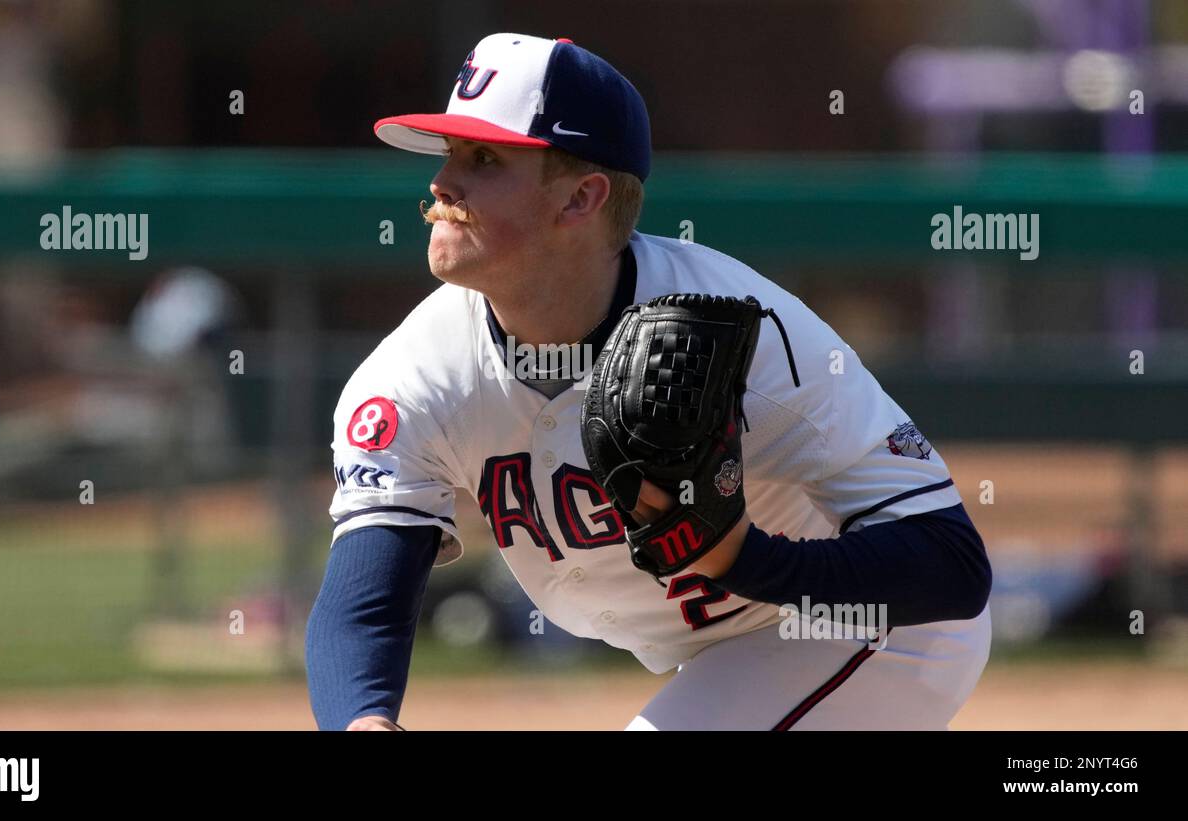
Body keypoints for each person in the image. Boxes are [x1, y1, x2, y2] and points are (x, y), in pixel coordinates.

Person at [307, 32, 992, 731]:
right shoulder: (409, 377)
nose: (441, 184)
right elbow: (366, 599)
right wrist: (364, 722)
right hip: (718, 656)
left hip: (878, 631)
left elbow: (952, 566)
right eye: (450, 154)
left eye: (483, 159)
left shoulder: (748, 338)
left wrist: (746, 558)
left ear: (581, 197)